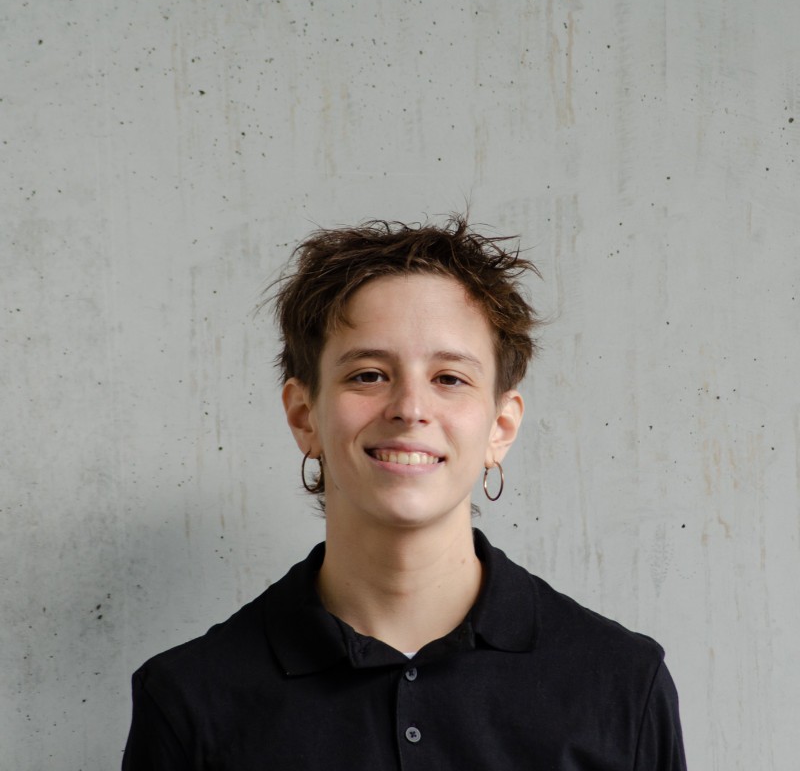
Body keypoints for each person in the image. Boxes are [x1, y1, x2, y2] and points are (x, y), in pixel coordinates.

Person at [122, 215, 687, 769]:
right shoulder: (188, 699)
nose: (410, 408)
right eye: (368, 374)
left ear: (500, 427)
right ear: (304, 416)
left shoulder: (622, 683)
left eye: (449, 379)